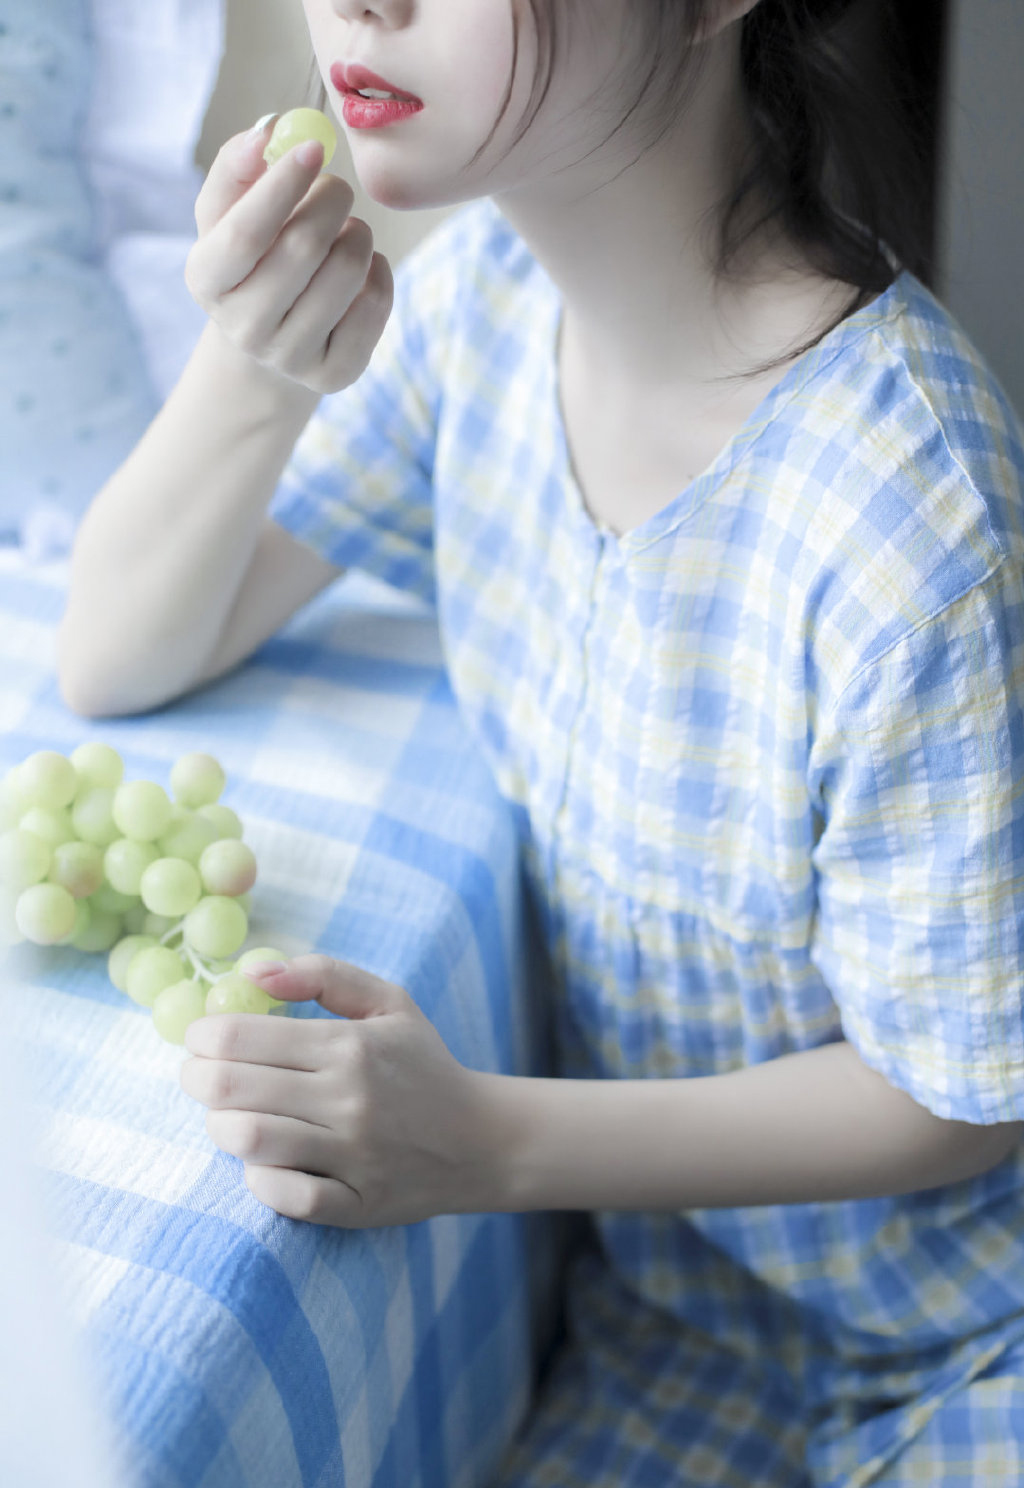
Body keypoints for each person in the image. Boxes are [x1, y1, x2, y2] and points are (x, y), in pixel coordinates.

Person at [57, 1, 1024, 1482]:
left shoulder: (914, 513)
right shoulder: (488, 315)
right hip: (672, 1340)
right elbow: (117, 651)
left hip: (961, 1353)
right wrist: (256, 360)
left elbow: (956, 1093)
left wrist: (483, 1146)